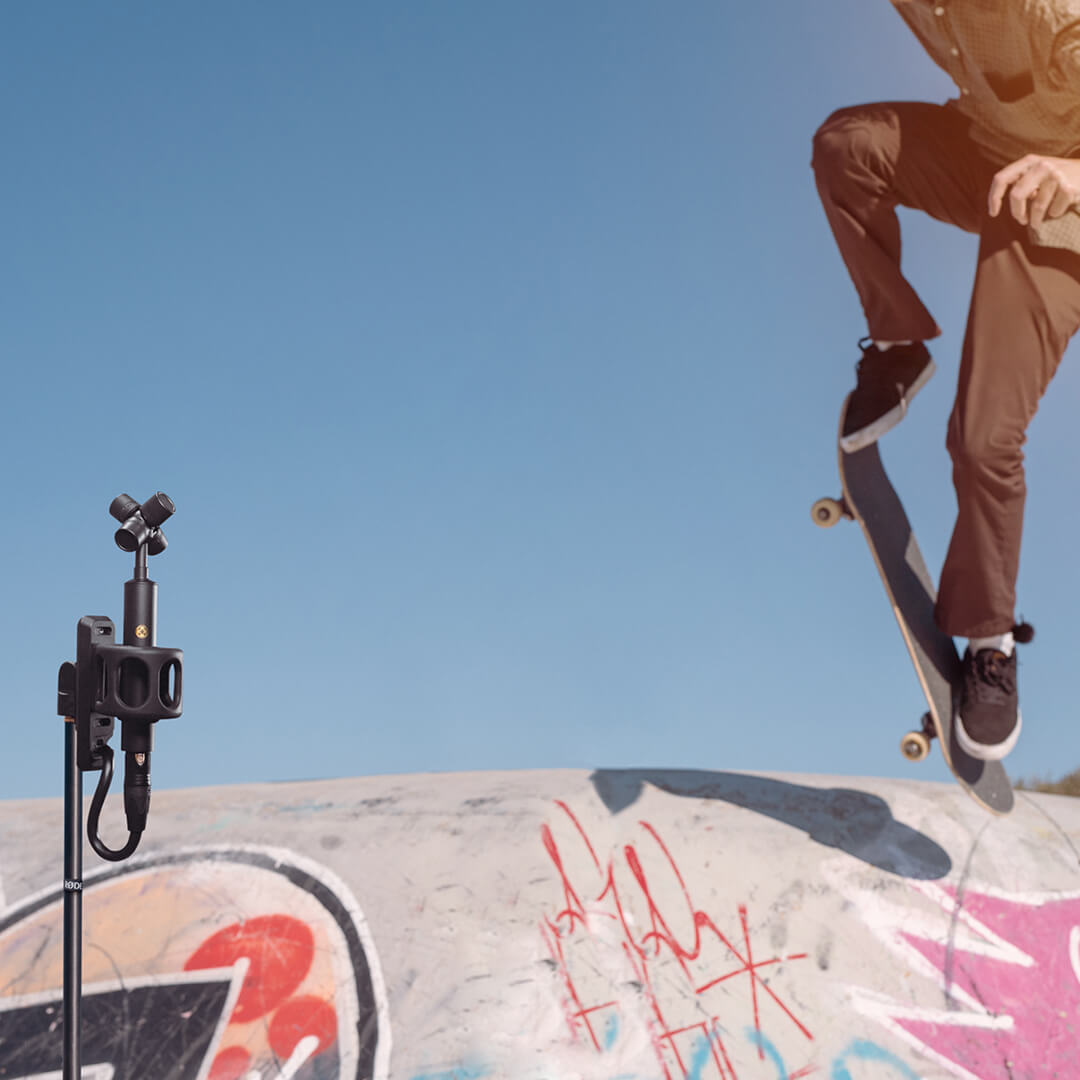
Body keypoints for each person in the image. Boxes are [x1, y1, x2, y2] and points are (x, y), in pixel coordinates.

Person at [811, 0, 1080, 761]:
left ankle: (992, 641)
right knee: (845, 147)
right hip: (986, 157)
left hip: (1064, 216)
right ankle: (897, 347)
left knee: (983, 437)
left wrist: (1071, 170)